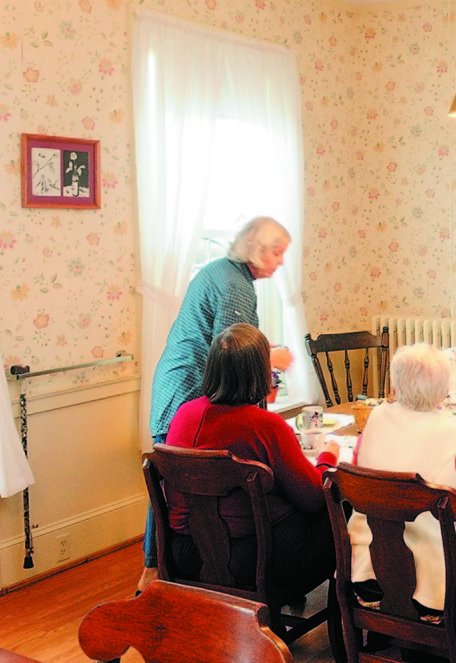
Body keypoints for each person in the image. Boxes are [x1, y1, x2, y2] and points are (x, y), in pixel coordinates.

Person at [138, 216, 295, 592]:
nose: (280, 261)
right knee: (178, 480)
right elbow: (233, 352)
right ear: (256, 250)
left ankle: (172, 574)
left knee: (173, 479)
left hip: (176, 388)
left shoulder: (219, 272)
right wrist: (272, 361)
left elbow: (229, 342)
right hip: (188, 392)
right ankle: (165, 575)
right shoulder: (236, 286)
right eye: (276, 252)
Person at [348, 343, 456, 611]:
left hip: (368, 573)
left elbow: (360, 469)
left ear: (394, 387)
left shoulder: (375, 419)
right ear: (444, 392)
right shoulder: (455, 436)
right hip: (438, 588)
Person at [163, 323, 339, 590]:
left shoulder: (183, 414)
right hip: (251, 562)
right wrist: (327, 458)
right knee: (341, 508)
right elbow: (314, 498)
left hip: (185, 556)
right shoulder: (265, 425)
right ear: (260, 372)